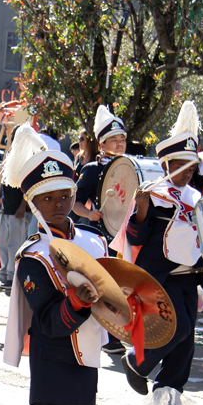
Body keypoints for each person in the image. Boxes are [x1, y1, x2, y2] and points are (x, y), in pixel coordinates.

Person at [2, 124, 108, 405]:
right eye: (48, 198)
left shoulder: (94, 242)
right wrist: (78, 302)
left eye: (65, 195)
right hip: (53, 356)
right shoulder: (33, 256)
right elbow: (46, 321)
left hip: (88, 354)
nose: (60, 203)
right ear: (33, 203)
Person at [114, 101, 203, 397]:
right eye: (180, 166)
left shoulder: (197, 197)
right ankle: (137, 361)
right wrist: (141, 209)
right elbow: (135, 238)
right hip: (161, 277)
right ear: (166, 165)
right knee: (178, 328)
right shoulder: (153, 193)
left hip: (189, 274)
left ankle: (169, 391)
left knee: (187, 339)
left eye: (191, 166)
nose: (187, 172)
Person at [72, 105, 128, 355]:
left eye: (122, 139)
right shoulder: (92, 169)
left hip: (125, 236)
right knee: (106, 285)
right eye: (114, 140)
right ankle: (108, 335)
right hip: (101, 235)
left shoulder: (130, 167)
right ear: (102, 143)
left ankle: (118, 330)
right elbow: (74, 203)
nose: (120, 144)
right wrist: (89, 214)